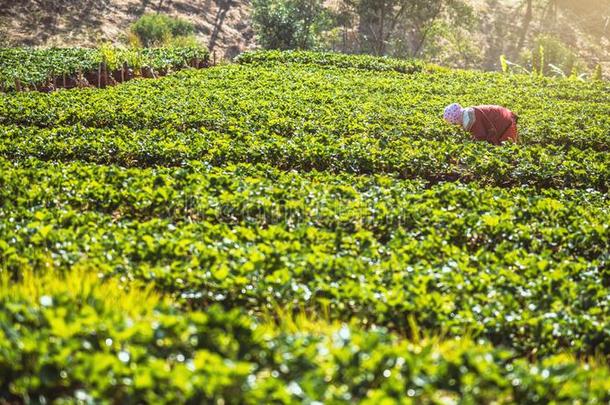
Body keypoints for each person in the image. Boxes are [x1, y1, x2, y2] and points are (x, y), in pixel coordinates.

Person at [443, 103, 519, 145]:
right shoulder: (469, 112)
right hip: (505, 115)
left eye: (454, 123)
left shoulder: (471, 121)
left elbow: (481, 136)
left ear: (456, 119)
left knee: (507, 146)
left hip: (504, 123)